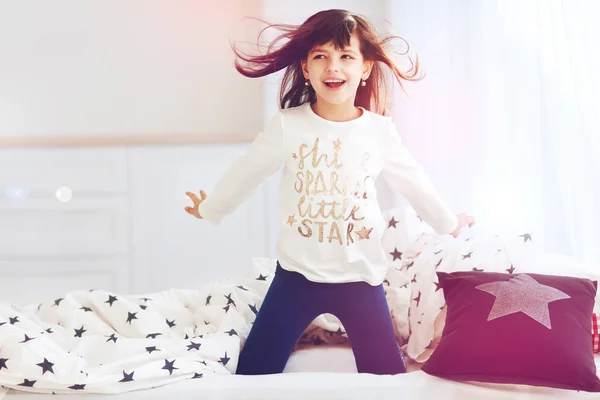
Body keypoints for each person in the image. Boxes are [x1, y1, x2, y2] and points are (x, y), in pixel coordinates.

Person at [185, 9, 475, 375]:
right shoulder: (289, 126)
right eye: (320, 56)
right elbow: (249, 170)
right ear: (306, 68)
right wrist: (211, 208)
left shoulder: (379, 131)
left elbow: (413, 180)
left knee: (387, 377)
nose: (332, 67)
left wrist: (448, 223)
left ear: (365, 68)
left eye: (345, 57)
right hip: (296, 277)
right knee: (254, 372)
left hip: (361, 280)